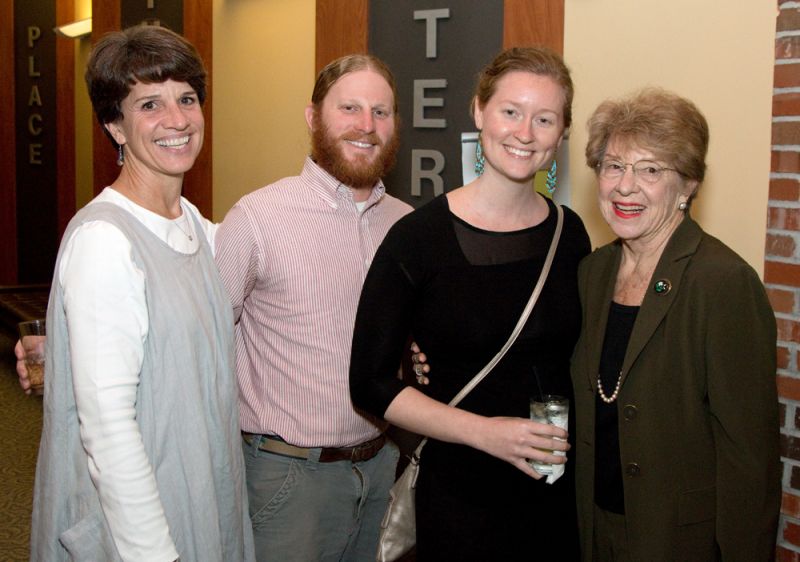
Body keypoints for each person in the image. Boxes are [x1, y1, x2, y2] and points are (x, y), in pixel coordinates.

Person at [349, 47, 590, 561]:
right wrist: (485, 433)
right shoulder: (417, 239)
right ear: (479, 111)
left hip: (552, 493)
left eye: (544, 119)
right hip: (461, 494)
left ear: (562, 133)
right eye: (510, 111)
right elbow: (368, 381)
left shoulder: (571, 235)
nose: (525, 132)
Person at [27, 25, 254, 561]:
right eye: (149, 103)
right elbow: (107, 429)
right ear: (115, 125)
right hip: (144, 526)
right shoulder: (105, 240)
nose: (176, 120)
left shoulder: (196, 224)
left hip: (200, 495)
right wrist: (155, 554)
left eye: (187, 99)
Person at [214, 54, 412, 561]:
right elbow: (199, 340)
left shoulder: (408, 227)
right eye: (349, 107)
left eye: (381, 112)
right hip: (287, 480)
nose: (366, 125)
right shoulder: (257, 219)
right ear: (313, 118)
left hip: (381, 469)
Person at [571, 88, 780, 561]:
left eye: (650, 170)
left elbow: (750, 460)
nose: (625, 186)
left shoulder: (722, 284)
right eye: (613, 166)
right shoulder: (592, 273)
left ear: (687, 186)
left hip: (678, 540)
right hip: (592, 528)